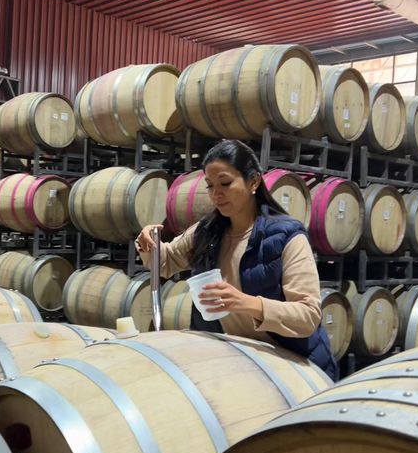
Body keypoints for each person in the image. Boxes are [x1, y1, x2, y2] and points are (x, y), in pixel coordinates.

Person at [136, 139, 338, 380]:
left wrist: (244, 303)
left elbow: (308, 316)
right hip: (234, 362)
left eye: (225, 183)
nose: (216, 194)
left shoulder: (286, 236)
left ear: (253, 181)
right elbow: (165, 263)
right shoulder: (207, 231)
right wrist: (149, 243)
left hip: (291, 367)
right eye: (210, 186)